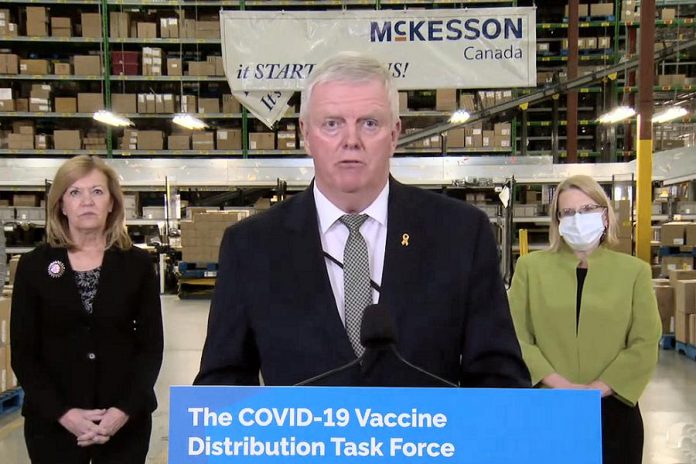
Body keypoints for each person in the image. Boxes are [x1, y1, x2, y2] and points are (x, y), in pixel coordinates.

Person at [194, 51, 529, 388]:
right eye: (332, 124)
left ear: (394, 135)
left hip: (426, 441)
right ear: (306, 134)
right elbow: (223, 385)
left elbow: (499, 379)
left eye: (369, 123)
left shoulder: (461, 234)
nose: (350, 141)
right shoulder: (250, 246)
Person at [10, 155, 163, 463]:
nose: (86, 201)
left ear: (112, 203)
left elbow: (151, 348)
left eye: (97, 192)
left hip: (124, 423)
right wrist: (63, 414)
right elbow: (24, 353)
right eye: (75, 192)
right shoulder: (33, 267)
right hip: (53, 424)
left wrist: (122, 411)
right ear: (61, 205)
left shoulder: (137, 265)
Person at [508, 174, 661, 464]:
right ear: (558, 222)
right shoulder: (529, 268)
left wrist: (597, 389)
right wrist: (560, 385)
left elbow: (645, 341)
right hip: (547, 406)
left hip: (613, 409)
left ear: (605, 216)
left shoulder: (635, 272)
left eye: (588, 210)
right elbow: (516, 335)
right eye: (568, 212)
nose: (578, 218)